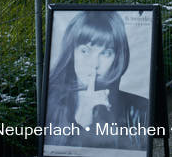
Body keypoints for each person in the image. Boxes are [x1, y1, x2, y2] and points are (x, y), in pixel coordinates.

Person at [44, 10, 150, 153]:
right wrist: (82, 122)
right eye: (85, 51)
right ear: (72, 52)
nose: (94, 64)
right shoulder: (50, 102)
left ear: (117, 57)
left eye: (106, 53)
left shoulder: (139, 109)